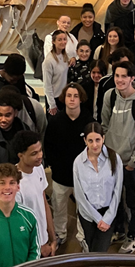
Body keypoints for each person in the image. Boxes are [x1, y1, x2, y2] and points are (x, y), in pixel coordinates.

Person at [63, 122, 123, 267]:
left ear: (103, 139)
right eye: (91, 140)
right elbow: (79, 196)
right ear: (85, 141)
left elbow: (118, 190)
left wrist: (107, 218)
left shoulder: (115, 159)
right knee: (95, 251)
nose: (95, 144)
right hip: (88, 215)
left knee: (97, 254)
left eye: (98, 139)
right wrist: (97, 219)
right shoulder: (78, 162)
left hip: (109, 214)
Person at [101, 61, 135, 254]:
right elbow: (104, 125)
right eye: (117, 76)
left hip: (131, 164)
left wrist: (133, 162)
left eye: (124, 76)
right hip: (111, 160)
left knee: (132, 201)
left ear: (132, 78)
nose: (120, 80)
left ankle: (133, 235)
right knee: (114, 198)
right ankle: (118, 230)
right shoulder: (110, 96)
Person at [13, 131, 60, 267]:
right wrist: (37, 246)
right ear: (20, 155)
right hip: (29, 248)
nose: (39, 156)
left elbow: (43, 203)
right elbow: (18, 223)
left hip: (43, 242)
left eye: (40, 151)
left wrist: (52, 235)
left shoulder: (39, 168)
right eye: (34, 153)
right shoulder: (16, 184)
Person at [44, 83, 94, 246]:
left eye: (75, 96)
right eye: (69, 96)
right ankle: (60, 234)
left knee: (83, 209)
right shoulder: (55, 121)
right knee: (59, 208)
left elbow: (94, 148)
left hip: (83, 177)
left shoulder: (88, 121)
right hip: (61, 176)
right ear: (64, 99)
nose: (72, 99)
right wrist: (54, 166)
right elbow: (48, 146)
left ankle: (82, 236)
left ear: (81, 99)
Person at [96, 47, 135, 117]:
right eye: (118, 63)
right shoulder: (104, 82)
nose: (121, 67)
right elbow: (100, 107)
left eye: (124, 63)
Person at [42, 30, 69, 116]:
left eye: (64, 39)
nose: (63, 42)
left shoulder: (64, 56)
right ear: (53, 42)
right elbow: (47, 85)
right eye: (60, 40)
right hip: (54, 99)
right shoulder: (48, 61)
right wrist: (52, 104)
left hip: (64, 97)